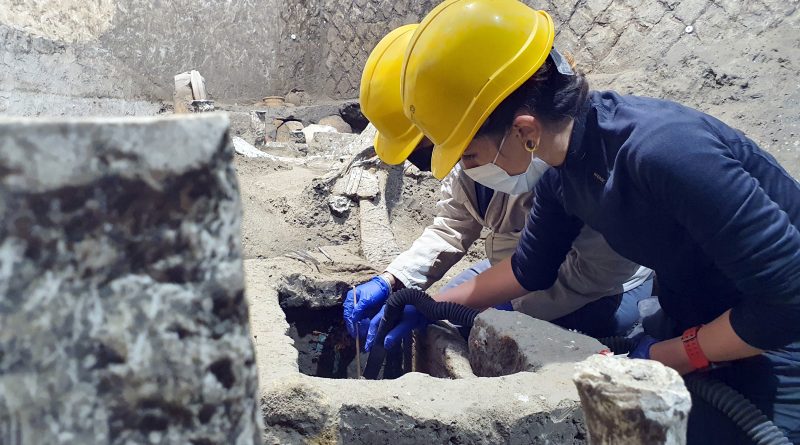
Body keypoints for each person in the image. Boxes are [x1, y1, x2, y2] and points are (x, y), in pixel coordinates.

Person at [396, 0, 800, 443]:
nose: (470, 170)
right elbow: (528, 270)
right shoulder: (564, 172)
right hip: (698, 311)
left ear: (524, 130)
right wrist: (428, 306)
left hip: (774, 336)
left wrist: (676, 354)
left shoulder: (663, 152)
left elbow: (787, 302)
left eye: (470, 155)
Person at [343, 24, 654, 353]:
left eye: (434, 150)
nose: (451, 165)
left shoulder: (577, 164)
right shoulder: (479, 150)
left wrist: (503, 309)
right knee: (446, 320)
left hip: (602, 289)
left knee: (480, 337)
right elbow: (454, 226)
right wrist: (396, 279)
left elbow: (591, 273)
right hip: (517, 267)